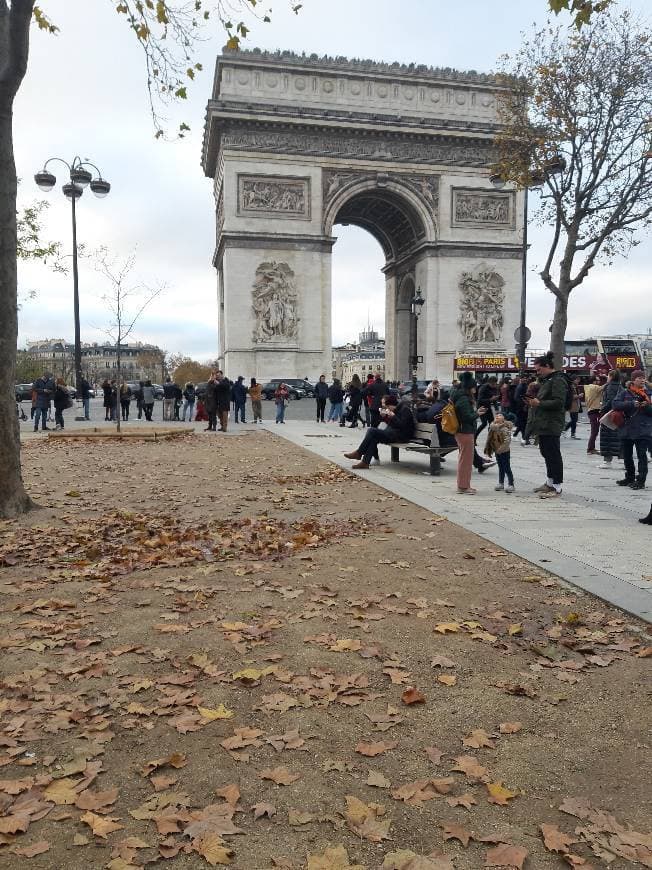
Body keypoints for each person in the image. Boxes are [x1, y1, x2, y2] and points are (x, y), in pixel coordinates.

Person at [527, 351, 567, 499]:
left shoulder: (557, 380)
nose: (537, 373)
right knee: (546, 453)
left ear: (548, 366)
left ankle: (557, 486)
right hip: (544, 422)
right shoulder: (548, 380)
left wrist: (540, 403)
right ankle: (550, 482)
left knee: (553, 454)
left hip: (552, 423)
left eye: (539, 369)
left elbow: (559, 402)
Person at [344, 394, 414, 469]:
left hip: (401, 436)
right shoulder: (396, 410)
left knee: (371, 430)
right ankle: (365, 462)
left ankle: (359, 453)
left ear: (391, 405)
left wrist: (393, 417)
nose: (388, 409)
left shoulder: (405, 410)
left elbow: (402, 425)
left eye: (388, 407)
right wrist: (385, 417)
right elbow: (392, 424)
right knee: (374, 438)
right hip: (393, 433)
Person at [612, 370, 652, 490]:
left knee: (642, 455)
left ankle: (641, 480)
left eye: (643, 378)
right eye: (639, 378)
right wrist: (631, 404)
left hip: (643, 428)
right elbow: (615, 404)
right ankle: (629, 477)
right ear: (633, 380)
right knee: (627, 455)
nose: (642, 380)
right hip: (627, 428)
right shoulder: (625, 393)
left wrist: (647, 406)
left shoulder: (649, 393)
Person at [451, 371, 486, 494]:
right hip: (465, 431)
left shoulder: (458, 395)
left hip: (461, 431)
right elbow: (466, 416)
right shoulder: (463, 398)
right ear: (470, 388)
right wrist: (477, 413)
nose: (475, 389)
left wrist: (476, 411)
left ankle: (463, 485)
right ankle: (463, 486)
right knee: (466, 460)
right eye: (474, 387)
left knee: (464, 459)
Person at [598, 369, 623, 469]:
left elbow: (610, 401)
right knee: (619, 438)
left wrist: (602, 409)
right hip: (618, 416)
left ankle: (607, 461)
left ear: (611, 377)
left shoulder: (609, 387)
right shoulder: (621, 387)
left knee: (607, 438)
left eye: (608, 376)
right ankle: (624, 460)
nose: (607, 377)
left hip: (609, 415)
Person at [485, 412, 515, 493]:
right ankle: (501, 483)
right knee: (500, 467)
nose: (497, 416)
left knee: (506, 468)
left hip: (504, 451)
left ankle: (511, 484)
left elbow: (507, 441)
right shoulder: (493, 428)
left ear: (504, 419)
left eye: (500, 415)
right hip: (497, 451)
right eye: (497, 415)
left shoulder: (505, 428)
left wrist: (501, 449)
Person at [583, 374, 605, 455]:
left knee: (595, 431)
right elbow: (603, 387)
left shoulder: (589, 387)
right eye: (598, 380)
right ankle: (590, 449)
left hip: (592, 411)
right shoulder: (593, 387)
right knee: (594, 431)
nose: (599, 382)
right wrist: (609, 379)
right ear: (594, 381)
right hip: (594, 411)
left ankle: (592, 448)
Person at [512, 374, 531, 444]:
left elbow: (527, 395)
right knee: (523, 423)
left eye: (526, 378)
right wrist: (524, 404)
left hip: (524, 407)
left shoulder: (525, 386)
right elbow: (516, 398)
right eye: (523, 378)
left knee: (522, 423)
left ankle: (515, 435)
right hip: (521, 408)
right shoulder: (520, 387)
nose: (525, 379)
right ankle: (524, 438)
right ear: (521, 379)